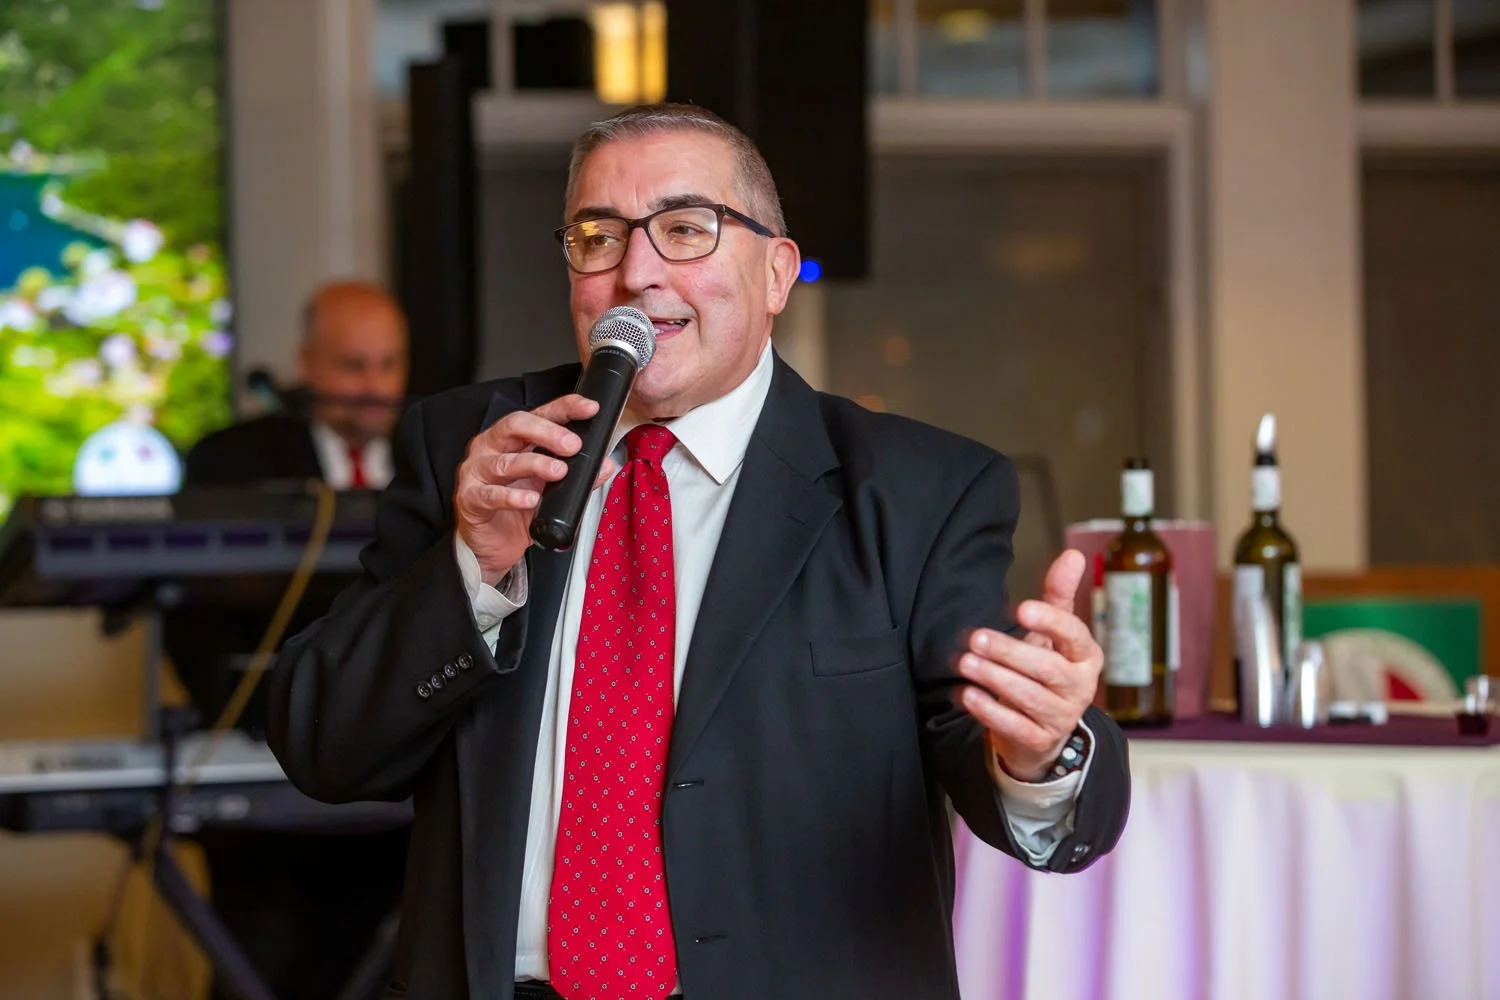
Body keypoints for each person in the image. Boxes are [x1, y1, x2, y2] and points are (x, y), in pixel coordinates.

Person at [268, 104, 1130, 1000]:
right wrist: (473, 570)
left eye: (685, 230)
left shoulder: (918, 490)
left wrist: (1039, 755)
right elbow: (324, 747)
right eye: (599, 237)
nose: (636, 273)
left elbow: (982, 747)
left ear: (776, 273)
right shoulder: (476, 449)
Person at [165, 279, 411, 1000]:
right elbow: (196, 625)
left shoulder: (444, 449)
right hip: (268, 785)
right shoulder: (230, 462)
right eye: (352, 366)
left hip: (407, 792)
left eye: (389, 365)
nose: (374, 388)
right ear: (307, 365)